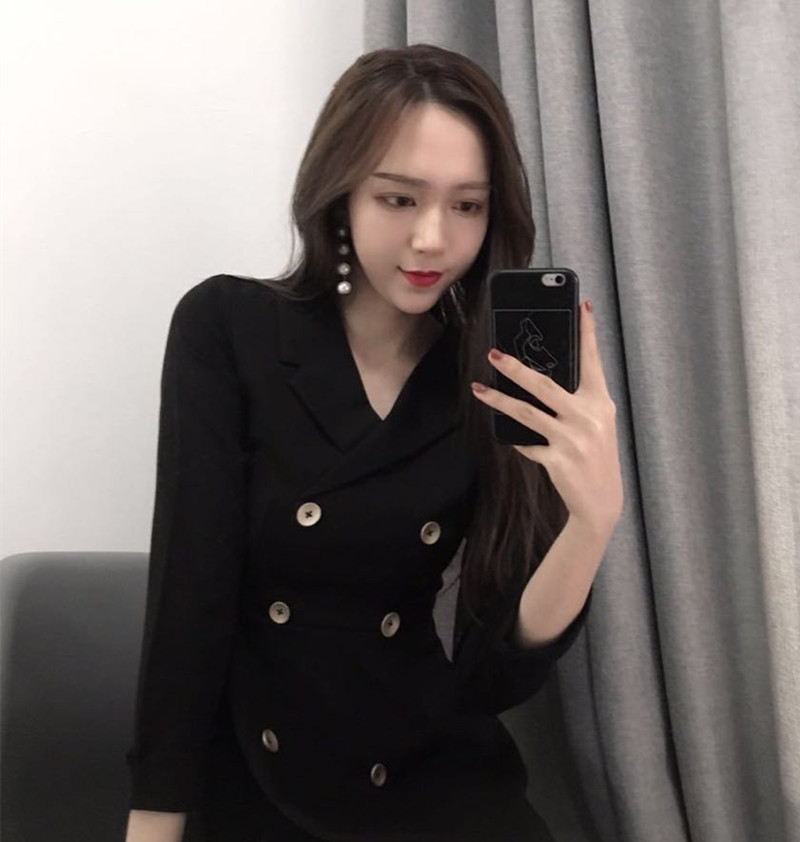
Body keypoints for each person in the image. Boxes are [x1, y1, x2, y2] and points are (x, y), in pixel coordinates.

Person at [124, 42, 622, 842]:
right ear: (340, 192)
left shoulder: (489, 375)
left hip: (431, 765)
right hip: (264, 770)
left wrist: (591, 525)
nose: (432, 239)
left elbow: (493, 674)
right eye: (398, 198)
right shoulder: (229, 327)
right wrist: (154, 822)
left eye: (468, 205)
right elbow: (190, 595)